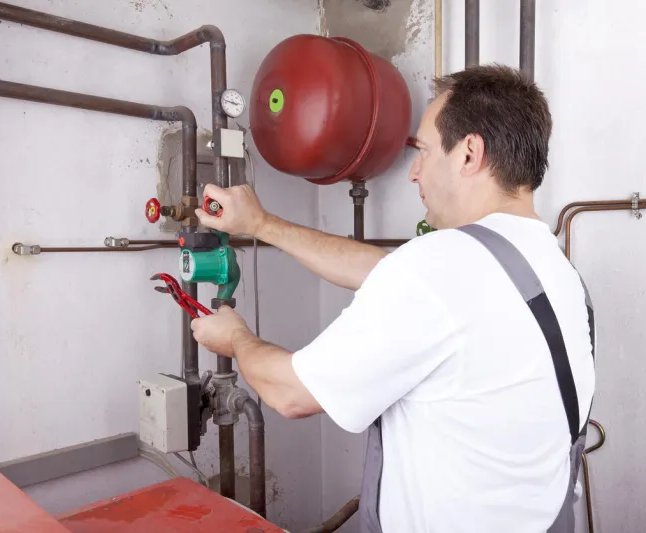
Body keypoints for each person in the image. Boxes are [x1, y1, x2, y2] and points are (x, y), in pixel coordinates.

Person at [190, 64, 596, 533]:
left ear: (469, 154)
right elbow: (385, 273)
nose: (414, 173)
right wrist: (262, 225)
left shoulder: (439, 270)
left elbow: (289, 393)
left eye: (422, 150)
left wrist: (235, 337)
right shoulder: (553, 268)